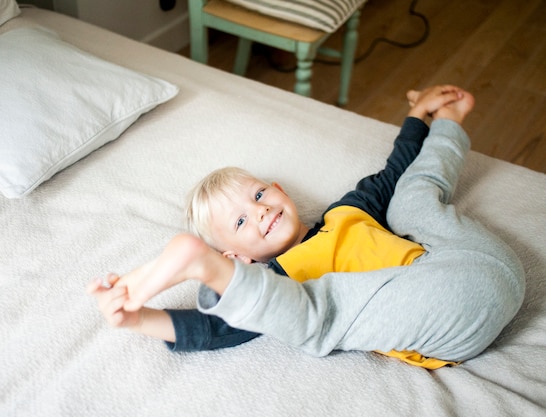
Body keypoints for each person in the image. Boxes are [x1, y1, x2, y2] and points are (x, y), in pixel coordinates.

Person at [88, 86, 525, 368]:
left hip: (475, 261)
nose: (259, 211)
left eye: (259, 195)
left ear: (279, 190)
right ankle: (204, 270)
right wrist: (138, 319)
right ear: (238, 258)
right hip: (450, 317)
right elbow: (216, 330)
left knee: (411, 198)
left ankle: (452, 121)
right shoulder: (281, 279)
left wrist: (420, 117)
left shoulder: (348, 212)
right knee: (307, 309)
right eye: (240, 220)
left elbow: (394, 171)